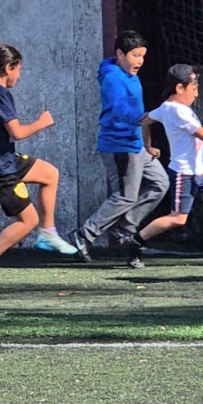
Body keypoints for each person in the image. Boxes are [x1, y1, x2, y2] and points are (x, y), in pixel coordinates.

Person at [0, 44, 78, 293]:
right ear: (9, 68)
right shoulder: (0, 92)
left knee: (49, 173)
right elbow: (16, 132)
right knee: (28, 219)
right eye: (19, 69)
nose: (20, 75)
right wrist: (41, 123)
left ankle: (47, 233)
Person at [121, 64, 203, 265]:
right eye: (193, 88)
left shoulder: (168, 107)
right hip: (185, 173)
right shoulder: (176, 111)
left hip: (199, 170)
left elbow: (145, 120)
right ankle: (135, 242)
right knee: (178, 218)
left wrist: (149, 145)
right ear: (179, 88)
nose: (196, 94)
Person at [67, 30, 169, 268]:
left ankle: (125, 231)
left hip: (136, 145)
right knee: (125, 196)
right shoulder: (113, 78)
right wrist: (150, 118)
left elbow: (139, 110)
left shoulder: (132, 75)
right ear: (120, 54)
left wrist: (148, 143)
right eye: (135, 55)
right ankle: (83, 235)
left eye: (142, 56)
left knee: (160, 184)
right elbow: (124, 110)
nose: (140, 61)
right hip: (119, 146)